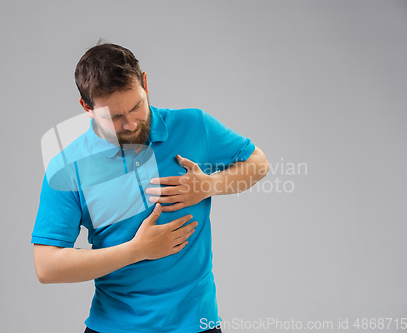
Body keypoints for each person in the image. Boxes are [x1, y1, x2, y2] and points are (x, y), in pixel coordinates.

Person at [31, 42, 269, 333]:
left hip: (197, 324)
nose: (130, 124)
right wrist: (136, 250)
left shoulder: (194, 125)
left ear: (144, 83)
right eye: (115, 117)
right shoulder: (67, 167)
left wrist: (209, 184)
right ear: (87, 108)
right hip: (114, 327)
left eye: (136, 106)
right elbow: (47, 266)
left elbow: (258, 163)